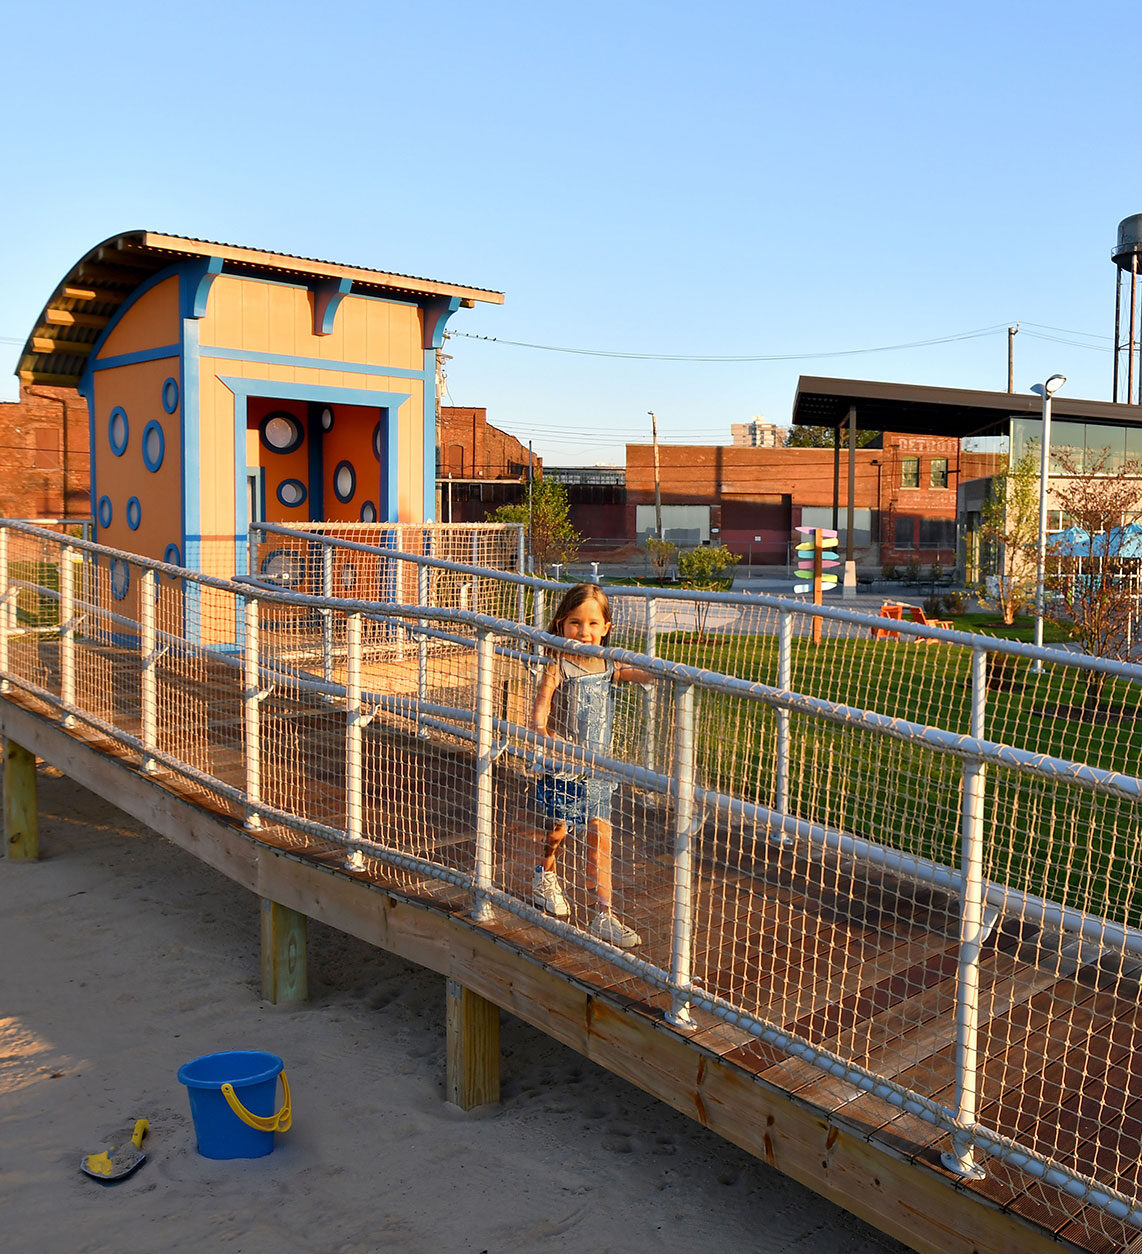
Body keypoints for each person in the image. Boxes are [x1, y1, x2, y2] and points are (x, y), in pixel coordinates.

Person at [529, 583, 653, 949]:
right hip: (564, 767)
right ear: (560, 624)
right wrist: (543, 731)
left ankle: (604, 913)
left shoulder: (607, 663)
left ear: (606, 628)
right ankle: (545, 875)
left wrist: (659, 674)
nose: (584, 632)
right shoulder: (557, 667)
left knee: (600, 835)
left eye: (593, 624)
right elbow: (539, 714)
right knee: (558, 830)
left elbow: (636, 672)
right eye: (575, 623)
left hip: (598, 768)